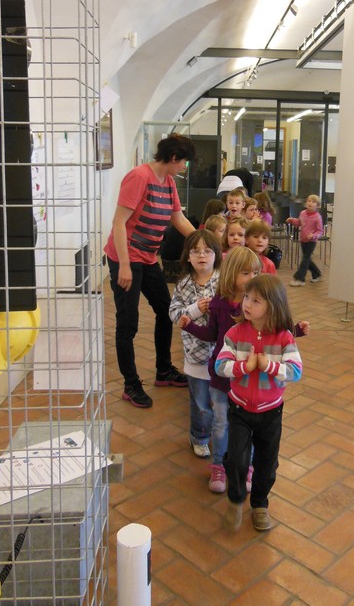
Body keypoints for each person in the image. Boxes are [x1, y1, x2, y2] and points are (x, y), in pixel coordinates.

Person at [105, 133, 196, 408]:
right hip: (125, 258)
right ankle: (130, 384)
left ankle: (164, 370)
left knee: (166, 311)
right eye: (184, 162)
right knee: (128, 322)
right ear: (173, 157)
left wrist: (205, 242)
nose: (185, 166)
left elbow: (178, 218)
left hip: (147, 258)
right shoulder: (139, 177)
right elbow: (119, 223)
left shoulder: (168, 182)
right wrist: (124, 265)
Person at [216, 274, 303, 531]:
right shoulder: (235, 333)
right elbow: (220, 366)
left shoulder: (284, 338)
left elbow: (295, 371)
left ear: (273, 306)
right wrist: (245, 366)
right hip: (239, 408)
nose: (247, 304)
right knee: (236, 460)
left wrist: (269, 366)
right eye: (246, 297)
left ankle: (260, 504)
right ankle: (235, 499)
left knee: (266, 463)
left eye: (256, 301)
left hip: (271, 412)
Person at [178, 246, 261, 492]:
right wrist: (189, 326)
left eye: (256, 273)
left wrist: (295, 330)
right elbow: (212, 335)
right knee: (221, 423)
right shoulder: (219, 304)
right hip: (223, 375)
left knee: (249, 425)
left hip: (248, 376)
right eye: (246, 273)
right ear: (232, 274)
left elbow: (274, 330)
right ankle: (218, 467)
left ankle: (246, 467)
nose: (252, 278)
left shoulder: (258, 305)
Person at [169, 229, 222, 458]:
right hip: (195, 357)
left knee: (220, 402)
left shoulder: (224, 281)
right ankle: (199, 437)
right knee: (201, 403)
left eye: (207, 251)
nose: (202, 255)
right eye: (196, 251)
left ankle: (221, 436)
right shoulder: (183, 285)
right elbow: (174, 313)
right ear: (188, 256)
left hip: (222, 355)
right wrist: (194, 310)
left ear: (216, 255)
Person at [286, 194, 324, 286]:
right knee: (307, 259)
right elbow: (299, 222)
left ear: (317, 205)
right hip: (303, 240)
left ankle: (300, 279)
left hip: (311, 241)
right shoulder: (302, 213)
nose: (310, 203)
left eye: (313, 202)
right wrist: (292, 220)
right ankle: (317, 274)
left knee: (305, 259)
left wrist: (313, 236)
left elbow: (320, 231)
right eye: (309, 201)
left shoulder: (317, 217)